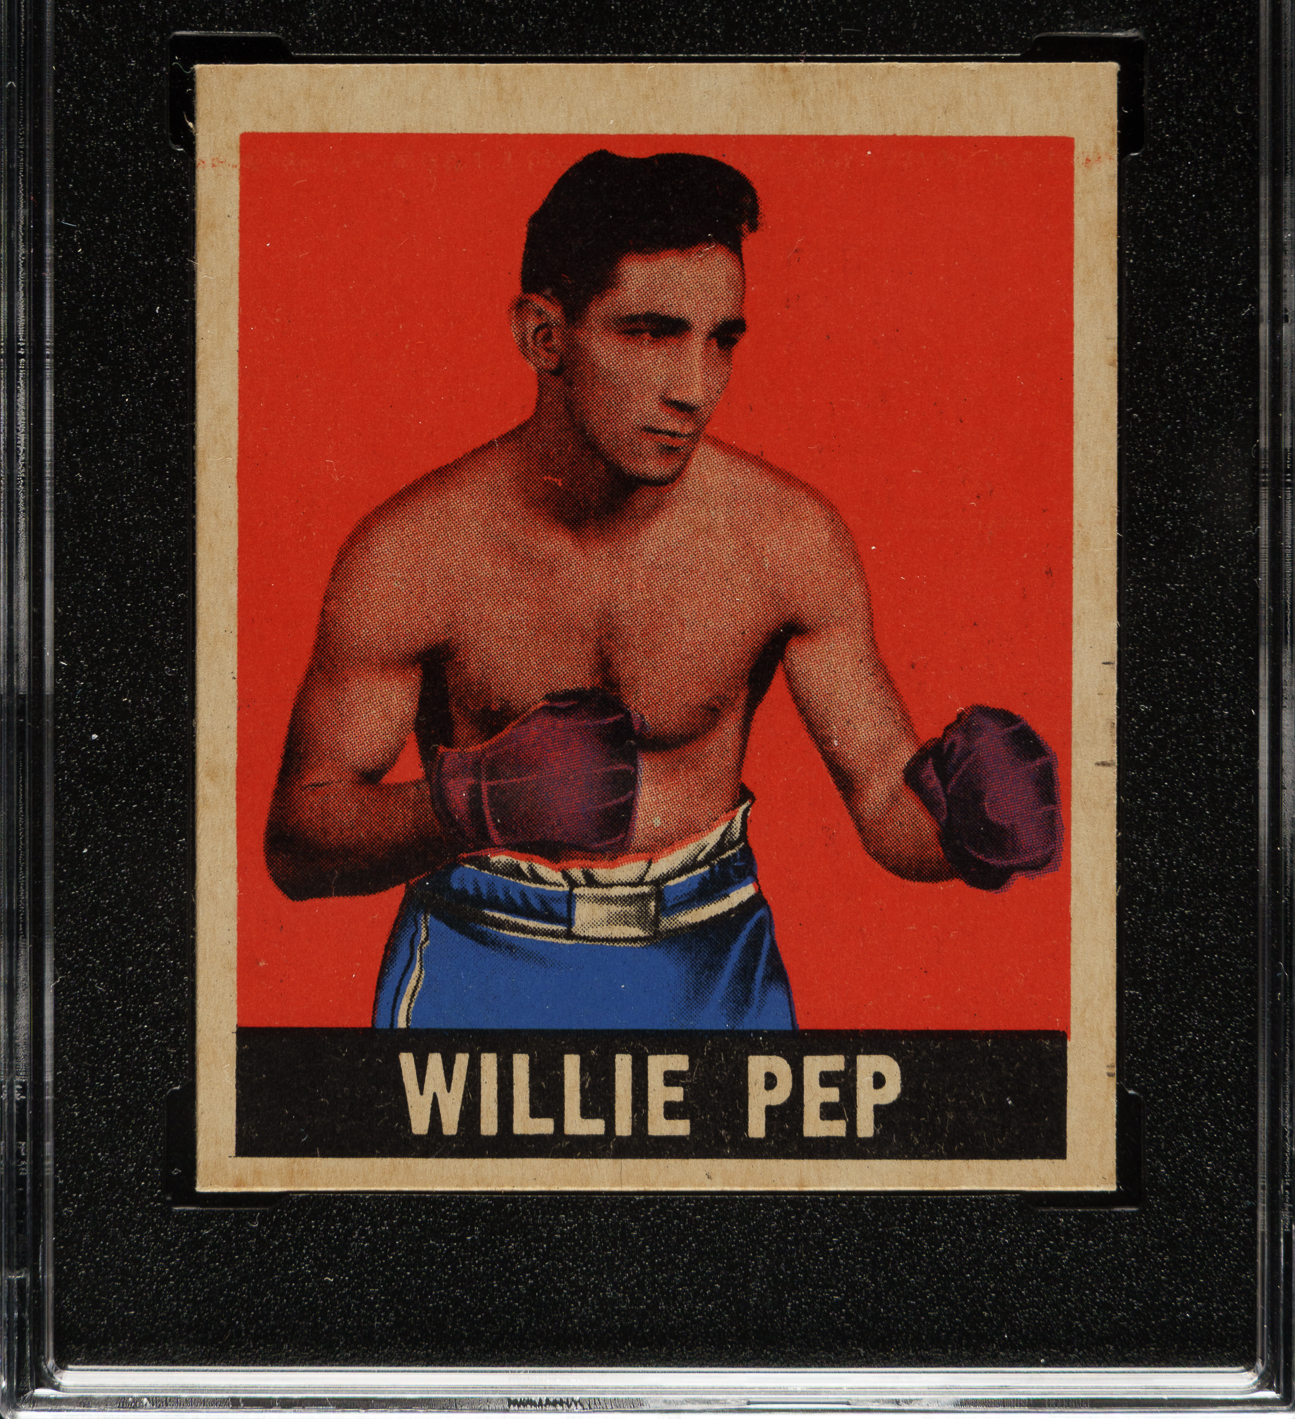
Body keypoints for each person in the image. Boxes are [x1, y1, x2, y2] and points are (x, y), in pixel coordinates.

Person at [265, 149, 1060, 1031]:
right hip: (480, 957)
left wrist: (964, 832)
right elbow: (300, 846)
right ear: (543, 336)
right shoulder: (414, 553)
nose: (694, 389)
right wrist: (472, 801)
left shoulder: (784, 537)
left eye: (721, 340)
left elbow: (883, 801)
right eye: (649, 334)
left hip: (712, 963)